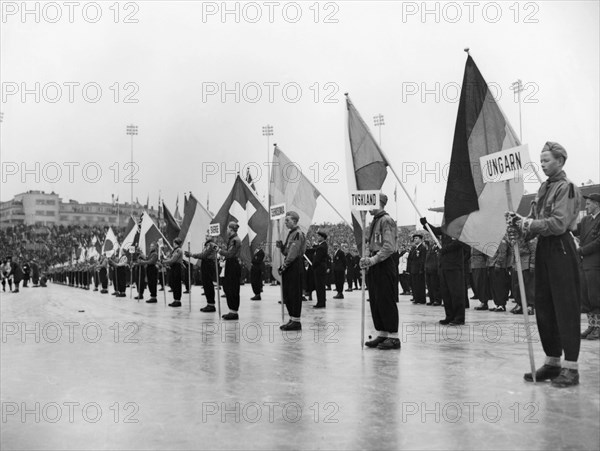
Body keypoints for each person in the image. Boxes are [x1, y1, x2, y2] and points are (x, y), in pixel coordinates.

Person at [507, 141, 582, 388]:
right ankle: (552, 362)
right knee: (545, 306)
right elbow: (536, 221)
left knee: (565, 307)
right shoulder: (543, 188)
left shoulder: (566, 188)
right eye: (541, 160)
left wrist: (529, 225)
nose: (542, 164)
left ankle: (571, 367)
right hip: (544, 250)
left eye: (547, 160)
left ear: (560, 161)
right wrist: (518, 224)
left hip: (561, 247)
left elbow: (559, 223)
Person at [360, 194, 400, 350]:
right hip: (375, 264)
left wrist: (373, 260)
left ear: (379, 203)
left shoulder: (386, 221)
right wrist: (366, 259)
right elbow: (372, 244)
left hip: (384, 263)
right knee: (376, 300)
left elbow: (389, 247)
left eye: (371, 204)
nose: (368, 207)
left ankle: (394, 337)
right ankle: (383, 334)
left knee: (386, 300)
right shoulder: (374, 221)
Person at [420, 218, 468, 326]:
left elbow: (460, 242)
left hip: (455, 266)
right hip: (444, 265)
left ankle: (459, 318)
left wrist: (446, 249)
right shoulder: (446, 228)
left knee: (456, 293)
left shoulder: (460, 228)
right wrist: (426, 224)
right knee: (446, 293)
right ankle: (449, 316)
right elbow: (435, 231)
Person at [276, 211, 306, 330]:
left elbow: (293, 253)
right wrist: (282, 247)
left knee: (294, 293)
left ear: (294, 221)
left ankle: (296, 321)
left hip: (294, 265)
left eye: (287, 220)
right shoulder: (291, 233)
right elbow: (287, 252)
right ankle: (292, 318)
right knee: (287, 293)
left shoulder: (297, 234)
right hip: (290, 264)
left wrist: (285, 265)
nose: (285, 223)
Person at [576, 192, 600, 340]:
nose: (586, 206)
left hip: (596, 263)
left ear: (597, 204)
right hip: (585, 264)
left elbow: (599, 242)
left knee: (595, 296)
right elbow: (573, 229)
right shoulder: (585, 220)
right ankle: (591, 326)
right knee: (586, 297)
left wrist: (581, 250)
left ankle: (597, 327)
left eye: (589, 203)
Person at [186, 236, 218, 312]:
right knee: (206, 284)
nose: (206, 237)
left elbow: (203, 255)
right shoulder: (207, 245)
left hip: (208, 264)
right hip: (206, 264)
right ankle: (209, 303)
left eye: (207, 235)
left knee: (208, 284)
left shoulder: (211, 245)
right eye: (206, 235)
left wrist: (192, 255)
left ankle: (211, 304)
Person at [219, 222, 242, 320]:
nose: (227, 230)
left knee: (232, 288)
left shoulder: (235, 240)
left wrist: (218, 250)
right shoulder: (232, 240)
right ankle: (231, 310)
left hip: (233, 264)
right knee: (228, 287)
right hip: (230, 263)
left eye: (228, 228)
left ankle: (234, 311)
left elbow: (230, 254)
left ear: (231, 230)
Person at [163, 238, 184, 307]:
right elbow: (171, 259)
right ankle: (175, 299)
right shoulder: (174, 250)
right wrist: (166, 260)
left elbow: (173, 260)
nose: (173, 244)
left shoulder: (178, 250)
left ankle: (178, 300)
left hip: (177, 267)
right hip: (173, 267)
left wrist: (164, 261)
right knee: (174, 284)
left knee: (177, 284)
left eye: (174, 243)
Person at [408, 234, 427, 304]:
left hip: (419, 269)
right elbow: (410, 259)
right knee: (414, 285)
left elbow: (422, 259)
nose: (415, 239)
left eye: (416, 238)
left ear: (420, 239)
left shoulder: (423, 248)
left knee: (420, 285)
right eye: (414, 238)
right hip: (413, 269)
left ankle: (421, 299)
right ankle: (416, 298)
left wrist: (421, 269)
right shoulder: (414, 248)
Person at [312, 230, 329, 309]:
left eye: (319, 236)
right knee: (320, 286)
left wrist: (313, 266)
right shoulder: (322, 245)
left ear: (323, 237)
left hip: (319, 268)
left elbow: (317, 259)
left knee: (320, 286)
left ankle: (321, 302)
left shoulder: (321, 247)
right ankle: (321, 301)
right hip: (321, 268)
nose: (317, 237)